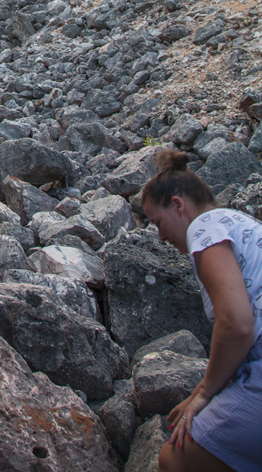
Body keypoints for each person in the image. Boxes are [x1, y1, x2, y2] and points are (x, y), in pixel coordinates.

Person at [141, 149, 262, 472]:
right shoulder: (242, 223)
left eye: (159, 223)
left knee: (175, 459)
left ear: (178, 205)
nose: (161, 237)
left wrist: (204, 394)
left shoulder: (205, 229)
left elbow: (236, 324)